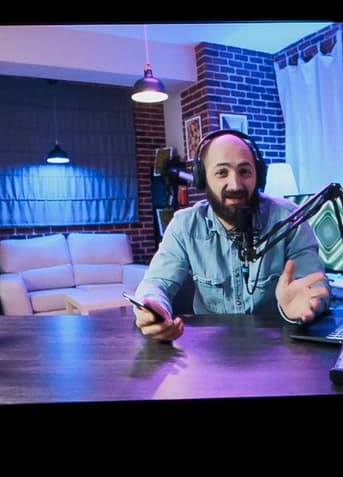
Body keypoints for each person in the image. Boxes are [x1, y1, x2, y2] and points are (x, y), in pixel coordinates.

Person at [128, 128, 330, 339]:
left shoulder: (289, 218)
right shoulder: (184, 225)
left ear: (258, 176)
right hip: (210, 351)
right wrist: (154, 308)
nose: (235, 184)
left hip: (279, 345)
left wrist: (306, 306)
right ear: (202, 178)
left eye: (244, 171)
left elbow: (315, 284)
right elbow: (156, 284)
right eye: (221, 172)